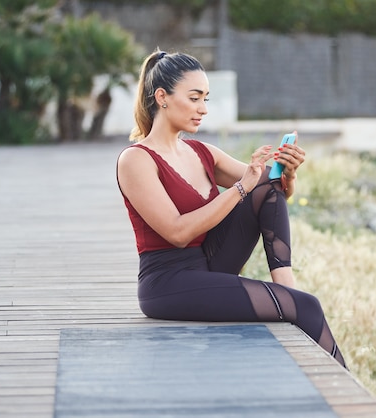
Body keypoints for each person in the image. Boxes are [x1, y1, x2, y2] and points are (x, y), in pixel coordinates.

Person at [116, 49, 346, 368]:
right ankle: (334, 376)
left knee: (268, 181)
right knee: (307, 307)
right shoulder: (136, 159)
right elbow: (178, 233)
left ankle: (286, 286)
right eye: (195, 98)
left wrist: (287, 173)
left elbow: (270, 193)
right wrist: (241, 188)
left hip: (213, 263)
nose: (203, 109)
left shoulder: (202, 152)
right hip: (169, 282)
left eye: (206, 99)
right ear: (162, 97)